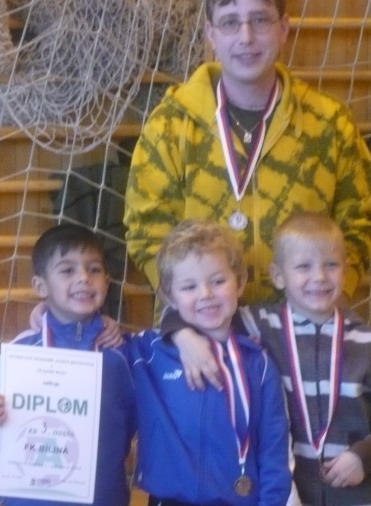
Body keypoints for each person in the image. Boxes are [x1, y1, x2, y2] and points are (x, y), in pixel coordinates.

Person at [124, 0, 371, 307]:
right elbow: (147, 231)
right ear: (211, 34)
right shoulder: (169, 125)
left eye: (260, 20)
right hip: (200, 327)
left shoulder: (330, 124)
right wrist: (185, 315)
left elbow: (360, 221)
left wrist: (331, 301)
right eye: (230, 22)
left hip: (304, 324)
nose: (246, 37)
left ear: (283, 28)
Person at [171, 212, 371, 505]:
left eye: (331, 265)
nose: (319, 277)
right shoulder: (256, 323)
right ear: (278, 276)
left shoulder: (365, 340)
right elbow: (197, 312)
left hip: (355, 492)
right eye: (304, 266)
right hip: (282, 492)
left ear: (346, 270)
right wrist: (182, 336)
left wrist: (364, 456)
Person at [0, 223, 136, 506]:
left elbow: (135, 422)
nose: (84, 277)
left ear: (107, 283)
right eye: (68, 270)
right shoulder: (19, 354)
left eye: (94, 269)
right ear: (40, 286)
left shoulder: (122, 353)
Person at [130, 219, 291, 505]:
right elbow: (95, 349)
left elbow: (273, 453)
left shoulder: (260, 364)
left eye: (218, 281)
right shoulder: (148, 354)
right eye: (189, 286)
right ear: (168, 296)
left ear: (240, 282)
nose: (205, 294)